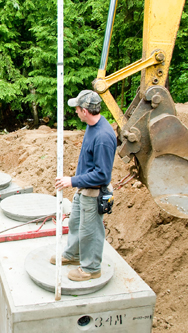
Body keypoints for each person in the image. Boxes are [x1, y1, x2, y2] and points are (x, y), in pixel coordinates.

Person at [50, 90, 117, 282]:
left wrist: (72, 181)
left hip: (93, 192)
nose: (76, 112)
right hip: (83, 189)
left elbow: (102, 174)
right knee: (75, 223)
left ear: (85, 111)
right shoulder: (92, 126)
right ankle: (74, 255)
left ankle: (91, 268)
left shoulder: (103, 137)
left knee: (90, 231)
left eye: (77, 109)